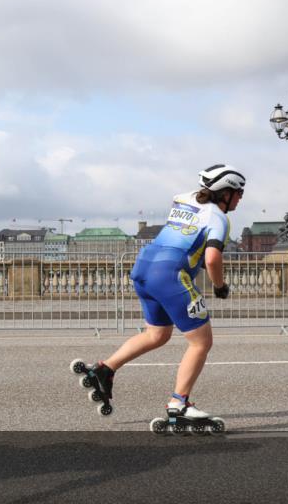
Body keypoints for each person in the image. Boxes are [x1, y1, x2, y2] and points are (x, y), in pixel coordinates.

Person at [78, 164, 245, 423]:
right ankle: (179, 404)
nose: (241, 198)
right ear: (225, 193)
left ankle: (104, 369)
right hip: (170, 275)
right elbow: (212, 259)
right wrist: (220, 286)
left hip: (143, 267)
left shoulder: (184, 198)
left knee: (157, 334)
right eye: (238, 192)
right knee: (201, 342)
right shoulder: (219, 218)